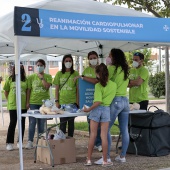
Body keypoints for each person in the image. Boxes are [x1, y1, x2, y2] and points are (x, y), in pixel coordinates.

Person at [95, 48, 130, 164]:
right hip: (125, 100)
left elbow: (104, 82)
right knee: (124, 130)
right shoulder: (125, 69)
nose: (108, 57)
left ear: (114, 57)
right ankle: (122, 156)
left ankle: (107, 157)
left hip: (115, 101)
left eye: (110, 55)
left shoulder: (111, 68)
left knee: (105, 130)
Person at [83, 63, 117, 167]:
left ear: (98, 74)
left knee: (93, 135)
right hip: (106, 110)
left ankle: (88, 159)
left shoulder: (98, 86)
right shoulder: (114, 85)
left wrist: (88, 109)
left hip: (96, 110)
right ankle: (105, 161)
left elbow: (97, 101)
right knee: (104, 136)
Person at [74, 51, 102, 152]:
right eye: (90, 58)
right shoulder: (86, 70)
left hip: (99, 100)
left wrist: (83, 77)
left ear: (97, 58)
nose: (92, 60)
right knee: (90, 123)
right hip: (88, 100)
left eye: (94, 58)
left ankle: (99, 143)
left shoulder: (101, 69)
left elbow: (96, 81)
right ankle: (92, 142)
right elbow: (83, 85)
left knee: (98, 123)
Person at [25, 59, 52, 149]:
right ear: (35, 67)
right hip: (33, 102)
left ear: (44, 67)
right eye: (38, 65)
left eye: (41, 65)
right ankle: (30, 141)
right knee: (32, 122)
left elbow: (47, 86)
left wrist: (41, 77)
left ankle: (40, 140)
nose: (39, 67)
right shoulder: (31, 77)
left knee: (42, 123)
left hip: (44, 103)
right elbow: (28, 90)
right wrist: (27, 102)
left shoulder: (48, 76)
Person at [53, 54, 79, 137]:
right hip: (62, 103)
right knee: (62, 124)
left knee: (71, 124)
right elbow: (56, 89)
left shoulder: (75, 73)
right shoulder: (59, 74)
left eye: (70, 61)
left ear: (72, 62)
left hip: (72, 103)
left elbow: (78, 89)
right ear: (63, 62)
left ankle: (70, 141)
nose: (68, 62)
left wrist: (77, 102)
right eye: (66, 61)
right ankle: (63, 142)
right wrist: (57, 101)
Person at [4, 62, 27, 151]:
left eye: (20, 66)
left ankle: (19, 142)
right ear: (14, 69)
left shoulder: (25, 79)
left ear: (22, 68)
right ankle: (9, 143)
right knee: (13, 123)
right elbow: (6, 91)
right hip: (13, 105)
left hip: (23, 105)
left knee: (22, 124)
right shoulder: (10, 79)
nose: (18, 68)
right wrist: (9, 99)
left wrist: (27, 102)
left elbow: (28, 90)